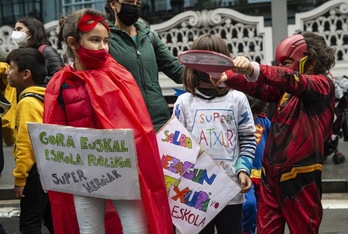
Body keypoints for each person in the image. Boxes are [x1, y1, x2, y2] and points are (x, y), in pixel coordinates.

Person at [43, 8, 172, 234]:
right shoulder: (59, 83)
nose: (103, 47)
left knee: (137, 228)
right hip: (82, 176)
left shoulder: (119, 75)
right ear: (73, 43)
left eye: (106, 41)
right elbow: (56, 137)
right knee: (89, 230)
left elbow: (138, 128)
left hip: (122, 172)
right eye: (95, 40)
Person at [214, 31, 336, 233]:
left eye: (287, 62)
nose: (282, 67)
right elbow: (262, 88)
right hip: (271, 175)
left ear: (310, 61)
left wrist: (254, 68)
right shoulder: (288, 89)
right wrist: (229, 77)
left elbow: (290, 79)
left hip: (300, 176)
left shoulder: (322, 85)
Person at [172, 34, 257, 234]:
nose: (208, 68)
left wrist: (243, 169)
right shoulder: (183, 103)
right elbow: (175, 148)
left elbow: (247, 137)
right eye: (203, 62)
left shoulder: (238, 99)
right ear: (192, 65)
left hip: (230, 190)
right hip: (193, 194)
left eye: (215, 60)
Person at [104, 0, 184, 132]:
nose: (133, 6)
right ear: (113, 4)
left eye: (137, 3)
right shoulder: (106, 40)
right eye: (129, 1)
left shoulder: (149, 37)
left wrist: (206, 72)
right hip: (127, 124)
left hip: (160, 122)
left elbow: (176, 69)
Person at [6, 47, 54, 233]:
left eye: (11, 68)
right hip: (49, 167)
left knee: (29, 224)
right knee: (51, 219)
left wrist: (20, 179)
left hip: (33, 172)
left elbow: (26, 144)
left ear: (26, 74)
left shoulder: (27, 102)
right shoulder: (44, 95)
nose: (8, 72)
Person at [242, 95, 271, 234]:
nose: (251, 117)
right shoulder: (237, 123)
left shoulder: (264, 122)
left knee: (263, 211)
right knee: (249, 205)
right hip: (244, 174)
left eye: (254, 113)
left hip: (262, 175)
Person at [11, 17, 64, 84]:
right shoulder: (22, 52)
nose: (15, 33)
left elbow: (59, 77)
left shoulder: (46, 51)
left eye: (19, 29)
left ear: (32, 30)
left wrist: (34, 80)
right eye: (15, 30)